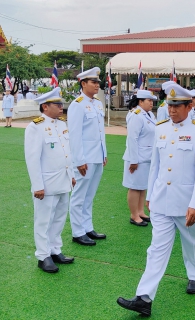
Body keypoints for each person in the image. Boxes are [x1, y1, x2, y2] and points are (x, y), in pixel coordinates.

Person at [117, 83, 195, 317]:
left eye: (177, 106)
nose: (171, 110)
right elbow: (155, 167)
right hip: (161, 200)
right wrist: (150, 195)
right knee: (156, 248)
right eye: (169, 105)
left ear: (189, 106)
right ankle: (144, 297)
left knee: (192, 240)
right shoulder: (160, 128)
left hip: (186, 201)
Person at [24, 87, 76, 273]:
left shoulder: (62, 124)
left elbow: (66, 153)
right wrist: (37, 185)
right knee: (43, 220)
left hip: (63, 180)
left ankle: (55, 250)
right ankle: (42, 255)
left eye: (61, 104)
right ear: (45, 107)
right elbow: (32, 159)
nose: (61, 107)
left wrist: (71, 176)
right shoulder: (35, 127)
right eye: (57, 104)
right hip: (46, 183)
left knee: (60, 217)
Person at [68, 67, 107, 246]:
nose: (97, 85)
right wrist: (79, 160)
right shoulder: (77, 105)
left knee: (89, 195)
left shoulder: (97, 104)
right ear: (83, 84)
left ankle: (87, 227)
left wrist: (104, 153)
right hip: (85, 158)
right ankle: (77, 232)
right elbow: (75, 135)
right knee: (79, 196)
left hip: (97, 156)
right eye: (93, 82)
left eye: (98, 82)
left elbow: (100, 132)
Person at [122, 90, 157, 226]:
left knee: (143, 186)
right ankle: (134, 215)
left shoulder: (149, 114)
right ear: (141, 101)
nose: (151, 103)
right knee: (135, 187)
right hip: (137, 158)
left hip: (147, 156)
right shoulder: (136, 115)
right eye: (149, 101)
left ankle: (141, 211)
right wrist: (134, 160)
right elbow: (132, 139)